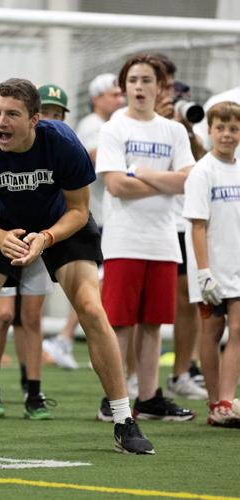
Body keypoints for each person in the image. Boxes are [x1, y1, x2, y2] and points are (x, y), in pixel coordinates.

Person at [0, 77, 154, 455]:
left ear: (35, 119)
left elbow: (79, 210)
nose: (0, 122)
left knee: (91, 308)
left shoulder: (62, 142)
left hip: (63, 227)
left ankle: (124, 419)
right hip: (0, 227)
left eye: (12, 114)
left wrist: (46, 238)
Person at [95, 54, 195, 422]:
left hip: (163, 239)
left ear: (160, 86)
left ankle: (150, 398)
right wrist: (165, 182)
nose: (139, 86)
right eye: (133, 80)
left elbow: (188, 179)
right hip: (124, 239)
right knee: (120, 323)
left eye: (146, 80)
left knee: (153, 323)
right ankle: (114, 399)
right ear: (124, 87)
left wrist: (143, 172)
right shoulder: (114, 128)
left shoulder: (174, 131)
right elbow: (117, 185)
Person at [0, 83, 70, 420]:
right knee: (2, 314)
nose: (49, 119)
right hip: (6, 233)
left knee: (31, 316)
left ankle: (33, 390)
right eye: (44, 111)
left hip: (42, 237)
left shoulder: (59, 147)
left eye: (55, 113)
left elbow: (71, 200)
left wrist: (46, 236)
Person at [44, 74, 125, 372]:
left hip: (104, 214)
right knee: (95, 284)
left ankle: (70, 339)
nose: (120, 99)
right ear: (97, 98)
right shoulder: (94, 125)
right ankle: (66, 338)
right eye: (113, 94)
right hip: (97, 215)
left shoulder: (109, 125)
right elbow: (94, 158)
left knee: (98, 285)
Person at [183, 101, 240, 427]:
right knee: (212, 330)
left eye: (233, 128)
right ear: (210, 131)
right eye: (221, 128)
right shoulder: (202, 171)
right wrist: (204, 272)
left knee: (238, 329)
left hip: (237, 264)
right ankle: (214, 401)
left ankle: (226, 401)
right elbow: (198, 226)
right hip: (211, 268)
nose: (227, 135)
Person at [154, 54, 208, 401]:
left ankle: (181, 372)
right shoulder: (137, 120)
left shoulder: (180, 125)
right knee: (150, 306)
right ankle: (134, 377)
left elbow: (202, 164)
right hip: (151, 219)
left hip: (181, 219)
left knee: (189, 300)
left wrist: (185, 129)